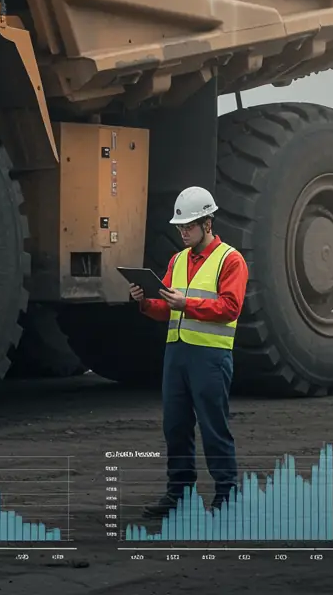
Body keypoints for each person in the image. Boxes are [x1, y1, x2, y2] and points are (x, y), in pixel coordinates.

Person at [129, 186, 248, 518]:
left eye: (189, 226)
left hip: (210, 357)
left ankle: (227, 494)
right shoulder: (178, 260)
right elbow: (166, 307)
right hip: (177, 356)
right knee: (175, 426)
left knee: (213, 427)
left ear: (207, 223)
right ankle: (179, 493)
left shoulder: (230, 260)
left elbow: (230, 307)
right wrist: (144, 301)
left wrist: (187, 304)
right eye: (180, 227)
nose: (183, 232)